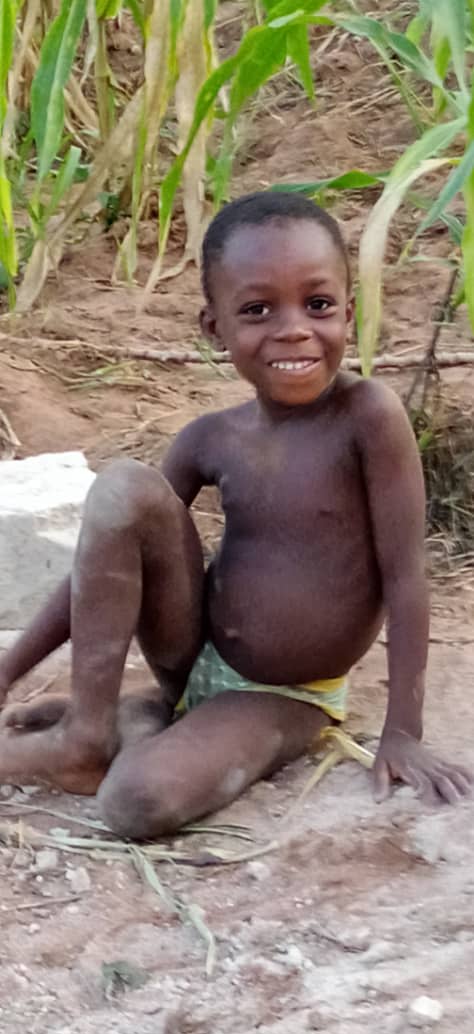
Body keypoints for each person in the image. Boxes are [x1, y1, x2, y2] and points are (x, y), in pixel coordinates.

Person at [0, 192, 470, 837]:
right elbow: (102, 564)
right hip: (192, 656)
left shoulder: (368, 417)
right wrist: (9, 668)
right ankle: (88, 731)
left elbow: (406, 577)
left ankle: (136, 720)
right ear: (214, 327)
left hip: (285, 694)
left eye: (318, 304)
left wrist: (403, 733)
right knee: (124, 488)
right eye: (256, 310)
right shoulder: (211, 438)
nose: (293, 329)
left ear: (349, 311)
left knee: (136, 802)